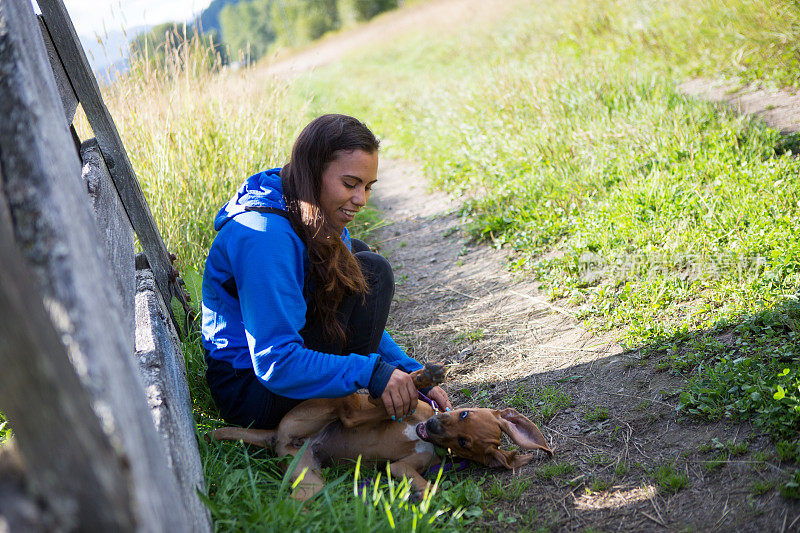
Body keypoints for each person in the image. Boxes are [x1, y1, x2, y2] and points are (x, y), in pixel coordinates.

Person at [201, 114, 451, 429]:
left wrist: (410, 372)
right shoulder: (264, 237)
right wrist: (371, 373)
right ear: (313, 172)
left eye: (368, 187)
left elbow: (344, 302)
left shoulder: (308, 206)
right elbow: (275, 363)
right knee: (372, 271)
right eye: (350, 184)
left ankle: (353, 393)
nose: (361, 200)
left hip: (275, 372)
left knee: (355, 259)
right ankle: (350, 411)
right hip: (250, 392)